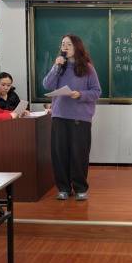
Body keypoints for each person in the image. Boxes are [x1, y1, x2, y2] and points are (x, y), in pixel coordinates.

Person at [42, 34, 102, 201]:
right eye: (63, 44)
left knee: (79, 154)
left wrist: (80, 94)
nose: (65, 47)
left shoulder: (87, 68)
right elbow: (47, 85)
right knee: (59, 154)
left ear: (77, 47)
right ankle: (63, 188)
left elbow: (96, 92)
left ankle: (80, 188)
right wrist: (56, 66)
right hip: (59, 116)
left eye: (69, 44)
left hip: (80, 118)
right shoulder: (59, 67)